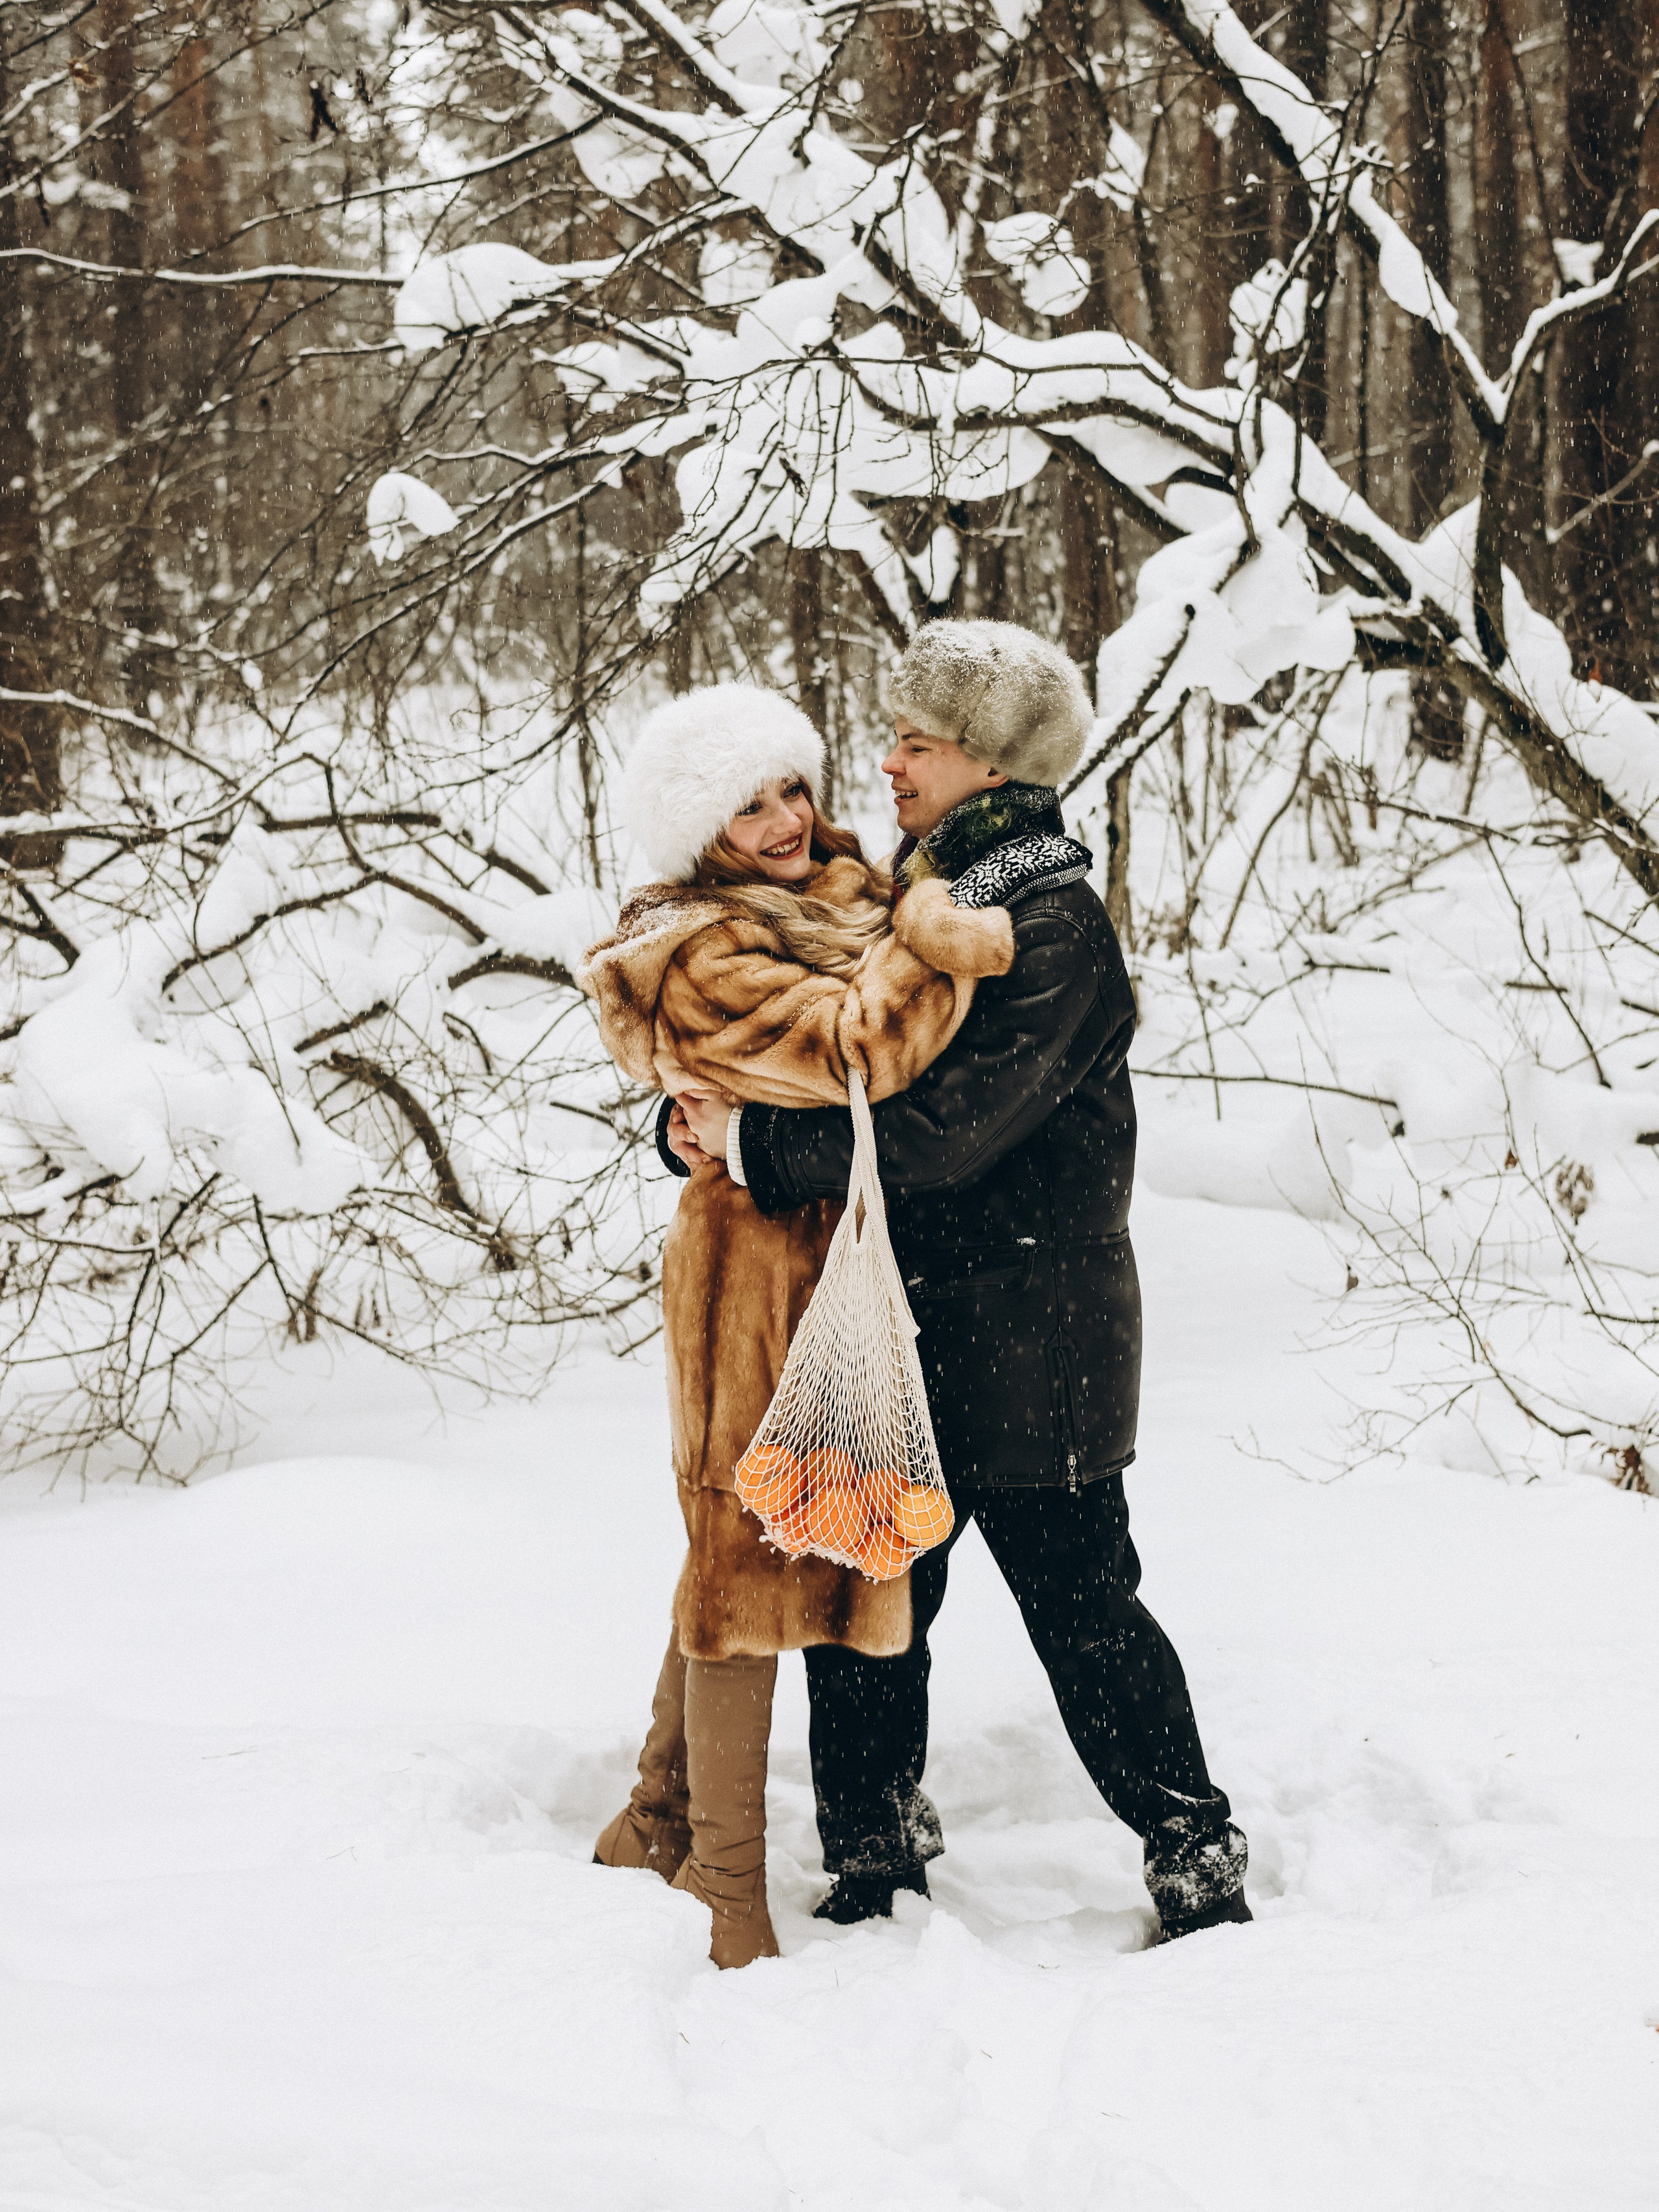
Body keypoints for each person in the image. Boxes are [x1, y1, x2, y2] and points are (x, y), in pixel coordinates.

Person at [675, 620, 1251, 1944]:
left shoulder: (1048, 924)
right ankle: (873, 1849)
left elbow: (946, 1131)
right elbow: (803, 1050)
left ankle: (1189, 1840)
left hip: (1037, 1334)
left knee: (1079, 1605)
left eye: (914, 743)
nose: (885, 763)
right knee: (867, 1600)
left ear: (987, 765)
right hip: (896, 1325)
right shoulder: (912, 899)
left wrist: (762, 1143)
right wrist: (703, 1118)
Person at [577, 681, 1015, 1968]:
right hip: (754, 1276)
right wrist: (937, 939)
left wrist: (907, 916)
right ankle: (724, 1888)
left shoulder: (837, 895)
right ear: (694, 827)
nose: (780, 818)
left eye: (788, 787)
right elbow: (855, 1056)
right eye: (744, 803)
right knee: (746, 1566)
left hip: (844, 1263)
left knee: (743, 1538)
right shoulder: (696, 948)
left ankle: (656, 1816)